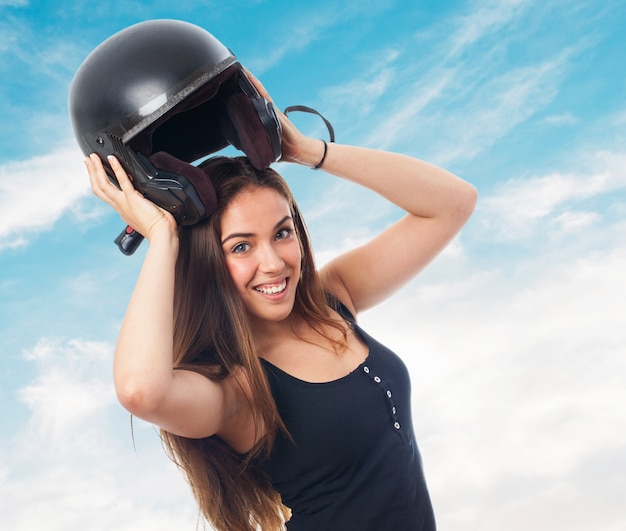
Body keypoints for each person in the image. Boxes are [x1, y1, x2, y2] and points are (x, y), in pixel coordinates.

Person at [85, 71, 477, 530]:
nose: (273, 263)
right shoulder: (239, 388)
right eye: (241, 246)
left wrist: (309, 151)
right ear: (208, 261)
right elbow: (140, 391)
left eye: (282, 233)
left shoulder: (335, 298)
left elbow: (452, 203)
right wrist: (163, 237)